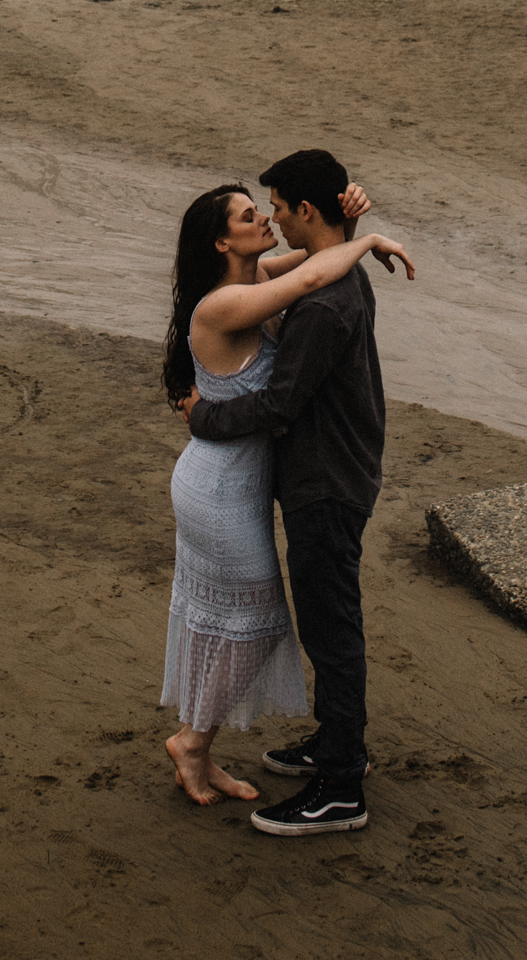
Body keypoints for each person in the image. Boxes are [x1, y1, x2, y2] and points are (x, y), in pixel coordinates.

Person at [183, 148, 413, 837]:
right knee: (329, 624)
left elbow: (279, 406)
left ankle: (341, 784)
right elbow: (306, 267)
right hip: (339, 471)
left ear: (305, 210)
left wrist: (203, 415)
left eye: (278, 207)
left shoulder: (323, 306)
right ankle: (335, 744)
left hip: (325, 485)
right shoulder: (336, 280)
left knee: (331, 632)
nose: (274, 219)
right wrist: (360, 232)